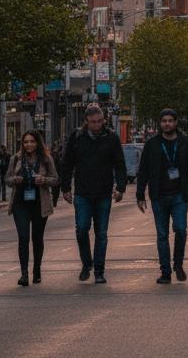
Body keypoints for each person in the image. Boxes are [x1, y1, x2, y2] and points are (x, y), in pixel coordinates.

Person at [61, 103, 127, 284]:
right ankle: (86, 262)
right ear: (86, 121)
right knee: (82, 229)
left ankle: (99, 270)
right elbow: (67, 164)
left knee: (101, 233)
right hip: (82, 192)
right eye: (93, 122)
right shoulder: (77, 137)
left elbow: (119, 164)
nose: (97, 125)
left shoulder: (110, 137)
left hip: (103, 192)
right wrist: (65, 188)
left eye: (100, 122)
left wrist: (120, 187)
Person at [136, 109, 188, 284]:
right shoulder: (152, 144)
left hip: (180, 195)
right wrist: (140, 195)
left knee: (180, 229)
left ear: (176, 122)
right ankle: (165, 271)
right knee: (162, 235)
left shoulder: (186, 142)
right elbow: (143, 171)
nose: (167, 124)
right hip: (158, 196)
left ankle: (178, 263)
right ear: (160, 123)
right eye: (164, 121)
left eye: (170, 121)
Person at [6, 130, 59, 286]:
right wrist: (13, 179)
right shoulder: (15, 159)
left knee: (37, 238)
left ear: (38, 143)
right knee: (23, 238)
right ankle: (24, 274)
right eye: (26, 142)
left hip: (39, 204)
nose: (29, 145)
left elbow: (55, 180)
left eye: (32, 142)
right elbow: (7, 178)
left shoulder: (46, 159)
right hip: (20, 204)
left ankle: (37, 270)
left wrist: (44, 179)